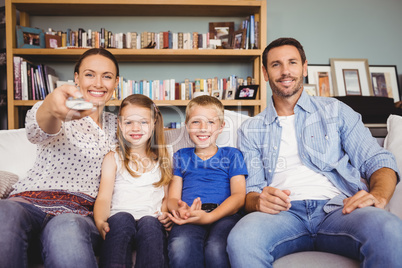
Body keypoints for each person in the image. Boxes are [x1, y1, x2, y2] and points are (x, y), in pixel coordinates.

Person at [227, 37, 402, 267]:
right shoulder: (250, 128)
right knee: (241, 239)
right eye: (276, 64)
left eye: (292, 62)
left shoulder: (335, 111)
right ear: (265, 72)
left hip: (340, 208)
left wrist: (379, 195)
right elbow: (251, 192)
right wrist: (258, 201)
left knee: (389, 228)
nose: (285, 71)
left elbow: (377, 159)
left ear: (305, 67)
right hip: (282, 215)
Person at [0, 48, 119, 268]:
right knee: (4, 212)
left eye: (107, 76)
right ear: (77, 78)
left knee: (66, 228)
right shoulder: (60, 110)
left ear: (116, 82)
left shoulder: (119, 126)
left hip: (77, 212)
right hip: (28, 202)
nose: (99, 83)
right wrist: (51, 107)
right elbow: (39, 127)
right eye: (90, 74)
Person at [167, 95, 247, 268]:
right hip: (191, 216)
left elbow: (239, 196)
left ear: (221, 127)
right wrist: (181, 210)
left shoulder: (232, 155)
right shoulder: (181, 156)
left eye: (210, 122)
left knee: (216, 248)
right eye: (196, 122)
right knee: (181, 245)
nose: (203, 128)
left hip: (225, 215)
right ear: (187, 126)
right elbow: (172, 198)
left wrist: (210, 216)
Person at [94, 94, 172, 268]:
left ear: (153, 124)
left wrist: (166, 214)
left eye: (143, 122)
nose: (135, 128)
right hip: (119, 219)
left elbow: (165, 197)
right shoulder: (113, 157)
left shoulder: (164, 158)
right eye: (129, 122)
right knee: (122, 219)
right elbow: (104, 197)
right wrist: (100, 221)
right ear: (120, 125)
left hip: (151, 219)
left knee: (150, 224)